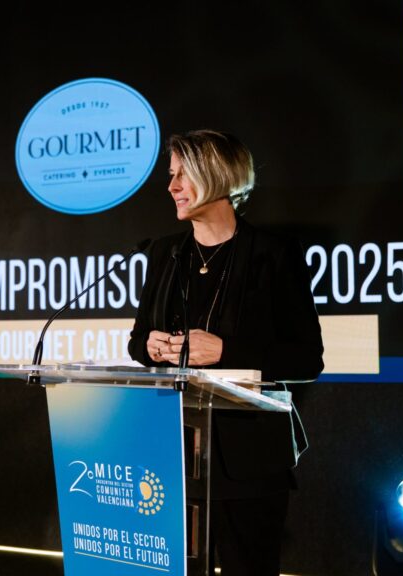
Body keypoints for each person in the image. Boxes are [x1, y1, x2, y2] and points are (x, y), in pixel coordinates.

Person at [128, 129, 324, 575]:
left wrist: (226, 350)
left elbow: (307, 358)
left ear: (217, 175)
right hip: (171, 453)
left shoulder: (273, 254)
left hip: (249, 461)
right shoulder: (164, 253)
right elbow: (137, 340)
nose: (171, 186)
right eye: (171, 175)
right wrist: (150, 346)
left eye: (182, 174)